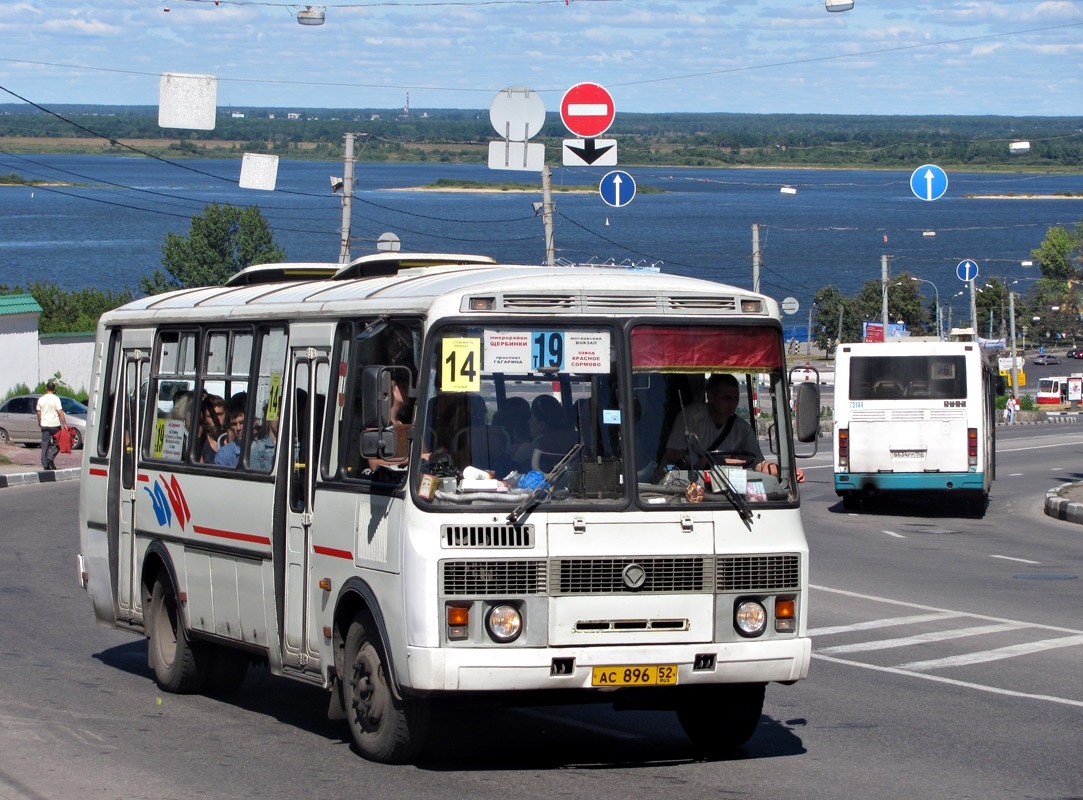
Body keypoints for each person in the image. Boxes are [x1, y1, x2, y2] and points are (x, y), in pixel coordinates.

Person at [664, 373, 804, 483]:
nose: (733, 403)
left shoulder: (742, 429)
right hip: (689, 483)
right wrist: (702, 461)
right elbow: (671, 454)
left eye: (735, 398)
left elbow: (759, 465)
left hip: (726, 489)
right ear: (710, 397)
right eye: (727, 398)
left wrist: (788, 472)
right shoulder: (691, 417)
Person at [36, 381, 67, 471]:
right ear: (54, 389)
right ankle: (50, 457)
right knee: (58, 442)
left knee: (45, 444)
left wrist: (40, 422)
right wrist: (64, 424)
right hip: (55, 424)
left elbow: (38, 412)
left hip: (45, 424)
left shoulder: (41, 399)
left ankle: (45, 464)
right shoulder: (56, 399)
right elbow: (60, 412)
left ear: (46, 388)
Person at [199, 394, 226, 463]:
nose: (216, 421)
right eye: (211, 416)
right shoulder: (200, 442)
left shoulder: (232, 440)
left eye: (219, 414)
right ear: (204, 418)